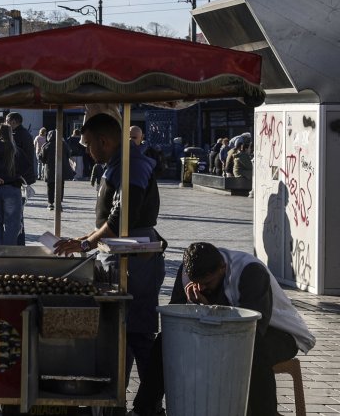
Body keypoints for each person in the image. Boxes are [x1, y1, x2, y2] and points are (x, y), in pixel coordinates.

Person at [131, 242, 315, 416]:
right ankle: (145, 409)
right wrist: (191, 307)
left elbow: (252, 327)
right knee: (167, 341)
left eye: (208, 283)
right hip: (225, 332)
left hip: (278, 332)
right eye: (198, 283)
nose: (202, 288)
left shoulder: (250, 271)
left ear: (222, 268)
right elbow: (174, 320)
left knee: (252, 351)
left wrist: (209, 307)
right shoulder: (187, 273)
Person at [54, 113, 165, 398]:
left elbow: (119, 220)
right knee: (120, 330)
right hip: (117, 255)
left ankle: (149, 402)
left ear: (104, 141)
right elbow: (107, 222)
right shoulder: (116, 164)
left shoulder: (132, 165)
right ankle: (116, 393)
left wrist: (85, 245)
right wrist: (80, 240)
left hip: (134, 259)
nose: (88, 152)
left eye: (89, 145)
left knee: (138, 333)